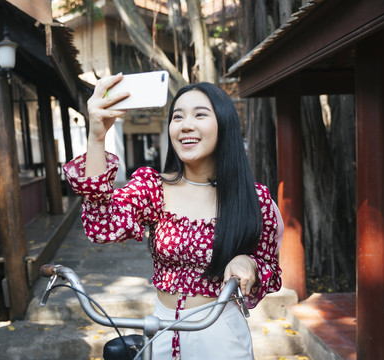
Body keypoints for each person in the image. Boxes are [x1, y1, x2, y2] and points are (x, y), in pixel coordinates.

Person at [63, 73, 283, 359]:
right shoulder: (153, 187)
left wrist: (248, 263)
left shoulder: (254, 199)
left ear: (224, 124)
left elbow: (270, 270)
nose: (186, 125)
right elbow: (102, 225)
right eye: (177, 117)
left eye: (200, 115)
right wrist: (96, 136)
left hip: (220, 334)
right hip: (160, 329)